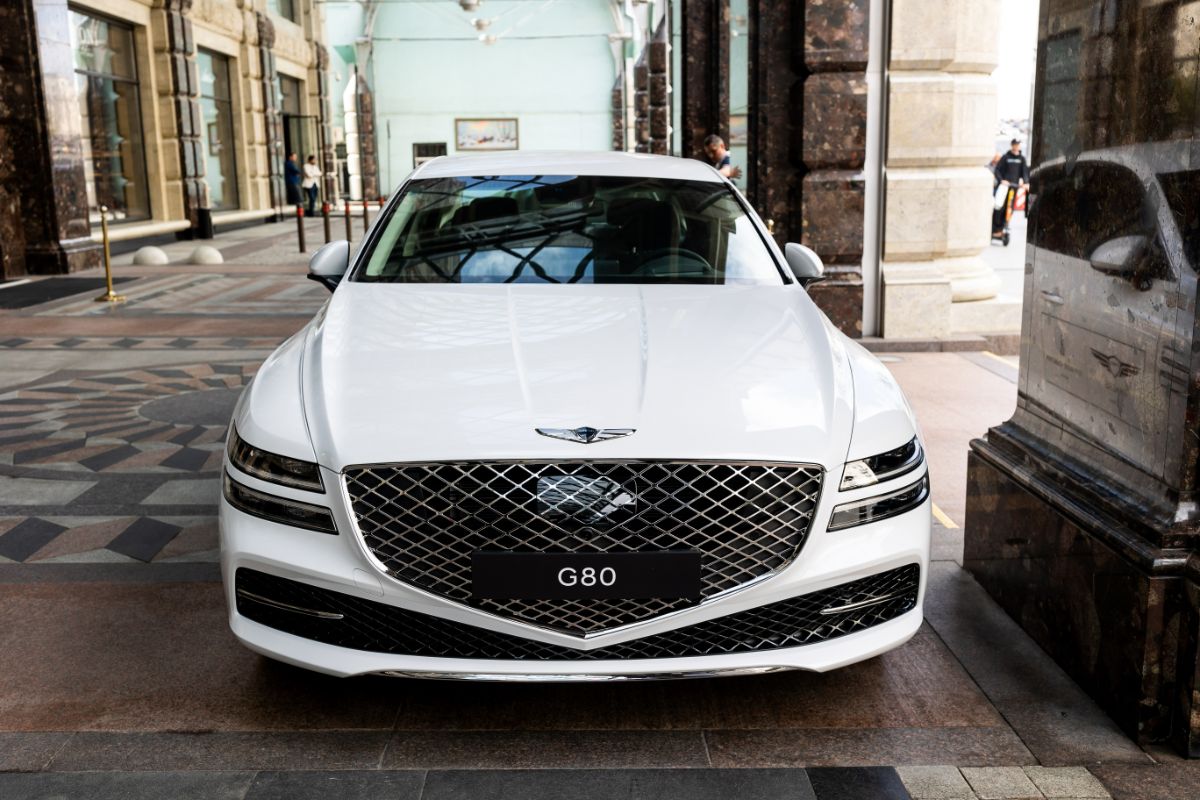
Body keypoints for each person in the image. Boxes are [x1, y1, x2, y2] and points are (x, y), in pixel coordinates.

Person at [992, 138, 1029, 239]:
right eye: (1015, 144)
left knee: (1010, 208)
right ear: (1012, 145)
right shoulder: (1005, 157)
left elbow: (1024, 172)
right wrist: (1001, 180)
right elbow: (997, 170)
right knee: (1000, 206)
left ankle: (1004, 226)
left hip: (1014, 187)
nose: (1016, 146)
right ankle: (996, 229)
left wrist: (1025, 183)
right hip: (1004, 186)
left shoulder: (1021, 159)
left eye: (1018, 144)